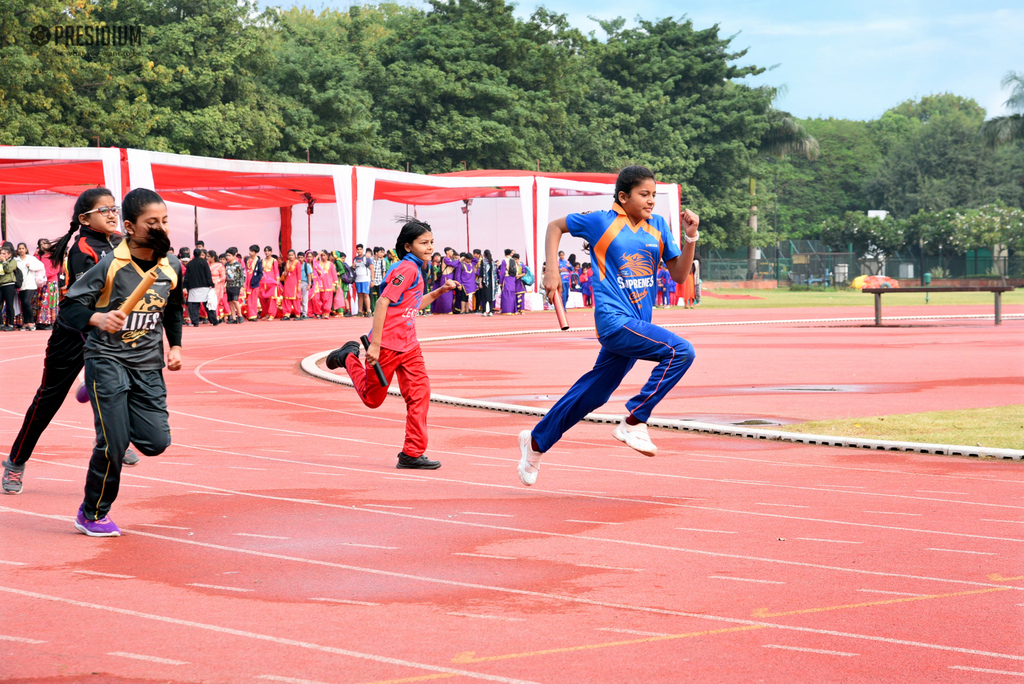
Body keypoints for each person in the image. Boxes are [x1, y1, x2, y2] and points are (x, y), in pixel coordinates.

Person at [516, 165, 700, 486]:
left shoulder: (657, 227)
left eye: (654, 195)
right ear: (623, 196)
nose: (651, 201)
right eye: (644, 194)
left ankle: (535, 442)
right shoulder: (601, 221)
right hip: (614, 322)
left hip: (638, 324)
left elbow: (681, 275)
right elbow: (554, 226)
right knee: (680, 351)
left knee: (594, 393)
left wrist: (691, 237)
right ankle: (634, 420)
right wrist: (552, 270)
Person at [2, 188, 153, 495]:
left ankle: (115, 438)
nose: (113, 213)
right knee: (47, 402)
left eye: (114, 209)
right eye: (105, 209)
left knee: (119, 388)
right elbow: (85, 302)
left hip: (106, 333)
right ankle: (15, 462)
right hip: (73, 336)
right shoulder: (83, 249)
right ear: (86, 218)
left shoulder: (117, 243)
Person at [58, 188, 184, 535]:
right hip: (107, 357)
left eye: (165, 221)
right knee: (113, 444)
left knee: (157, 443)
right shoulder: (110, 263)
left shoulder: (171, 265)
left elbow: (173, 309)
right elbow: (68, 307)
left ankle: (100, 397)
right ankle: (92, 513)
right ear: (130, 226)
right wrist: (97, 319)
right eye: (152, 222)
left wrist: (176, 347)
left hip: (147, 364)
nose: (161, 228)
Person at [325, 219, 458, 470]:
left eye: (431, 242)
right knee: (372, 399)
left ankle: (412, 453)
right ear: (408, 246)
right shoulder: (406, 269)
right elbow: (382, 303)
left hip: (409, 346)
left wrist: (440, 291)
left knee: (420, 394)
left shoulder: (416, 269)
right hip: (386, 345)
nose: (430, 247)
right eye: (424, 243)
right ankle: (347, 358)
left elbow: (412, 306)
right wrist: (374, 345)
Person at [183, 248, 219, 326]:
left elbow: (187, 276)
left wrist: (185, 286)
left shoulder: (190, 263)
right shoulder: (204, 262)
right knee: (208, 305)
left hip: (193, 287)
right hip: (205, 287)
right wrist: (211, 284)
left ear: (194, 254)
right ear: (200, 254)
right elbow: (208, 275)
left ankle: (195, 322)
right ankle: (214, 320)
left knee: (194, 306)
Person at [14, 243, 45, 331]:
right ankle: (26, 322)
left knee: (27, 302)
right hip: (21, 285)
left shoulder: (31, 258)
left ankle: (31, 322)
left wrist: (31, 266)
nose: (21, 250)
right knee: (23, 304)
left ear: (26, 249)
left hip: (30, 284)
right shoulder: (16, 260)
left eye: (23, 248)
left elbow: (41, 266)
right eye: (19, 248)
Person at [34, 238, 61, 331]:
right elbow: (34, 265)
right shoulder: (39, 257)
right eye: (41, 244)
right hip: (41, 283)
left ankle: (50, 321)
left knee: (49, 302)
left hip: (51, 282)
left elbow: (56, 269)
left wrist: (45, 275)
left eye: (45, 243)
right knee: (41, 301)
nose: (43, 245)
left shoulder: (54, 256)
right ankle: (41, 321)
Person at [257, 245, 280, 320]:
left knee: (272, 298)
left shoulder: (274, 260)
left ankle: (271, 314)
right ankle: (266, 313)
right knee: (262, 298)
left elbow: (276, 271)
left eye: (268, 251)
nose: (267, 252)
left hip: (272, 281)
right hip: (263, 281)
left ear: (271, 252)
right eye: (265, 251)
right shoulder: (262, 260)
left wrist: (277, 281)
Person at [224, 247, 245, 323]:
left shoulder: (237, 264)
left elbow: (241, 276)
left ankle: (240, 315)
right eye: (227, 255)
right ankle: (233, 318)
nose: (227, 257)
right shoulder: (226, 265)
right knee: (230, 302)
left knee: (235, 300)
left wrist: (242, 287)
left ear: (234, 256)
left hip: (236, 285)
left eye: (229, 255)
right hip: (229, 285)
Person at [280, 249, 302, 320]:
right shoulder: (287, 262)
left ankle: (297, 314)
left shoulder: (297, 263)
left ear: (295, 255)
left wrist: (299, 284)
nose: (291, 256)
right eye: (289, 255)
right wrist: (284, 273)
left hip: (294, 282)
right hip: (287, 282)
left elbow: (299, 274)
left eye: (292, 255)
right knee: (286, 298)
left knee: (295, 299)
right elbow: (286, 271)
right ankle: (286, 315)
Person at [0, 244, 17, 331]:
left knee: (9, 305)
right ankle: (1, 323)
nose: (2, 255)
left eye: (4, 253)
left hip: (9, 285)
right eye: (1, 253)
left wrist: (4, 261)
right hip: (0, 285)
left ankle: (11, 324)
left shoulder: (12, 261)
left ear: (9, 254)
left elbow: (8, 270)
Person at [353, 244, 372, 316]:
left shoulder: (367, 258)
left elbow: (372, 269)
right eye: (358, 249)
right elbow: (355, 268)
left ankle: (368, 311)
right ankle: (360, 312)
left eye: (360, 249)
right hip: (358, 279)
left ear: (363, 250)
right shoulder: (355, 259)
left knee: (366, 295)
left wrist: (372, 280)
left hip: (365, 279)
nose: (359, 251)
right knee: (359, 295)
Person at [244, 245, 262, 321]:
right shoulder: (248, 260)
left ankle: (254, 315)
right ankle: (250, 315)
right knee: (248, 299)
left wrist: (255, 280)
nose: (250, 253)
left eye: (252, 251)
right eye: (250, 251)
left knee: (253, 300)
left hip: (253, 282)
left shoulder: (258, 261)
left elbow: (260, 273)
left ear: (256, 252)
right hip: (248, 281)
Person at [497, 249, 517, 315]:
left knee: (506, 293)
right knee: (512, 293)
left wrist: (500, 281)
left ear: (505, 254)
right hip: (512, 278)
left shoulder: (504, 260)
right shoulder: (513, 260)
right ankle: (513, 310)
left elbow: (502, 272)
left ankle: (506, 309)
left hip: (507, 278)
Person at [477, 249, 496, 316]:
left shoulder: (483, 262)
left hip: (485, 282)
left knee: (484, 297)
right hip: (491, 282)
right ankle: (490, 311)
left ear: (484, 254)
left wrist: (480, 282)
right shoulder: (492, 262)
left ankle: (484, 311)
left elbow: (481, 273)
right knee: (490, 296)